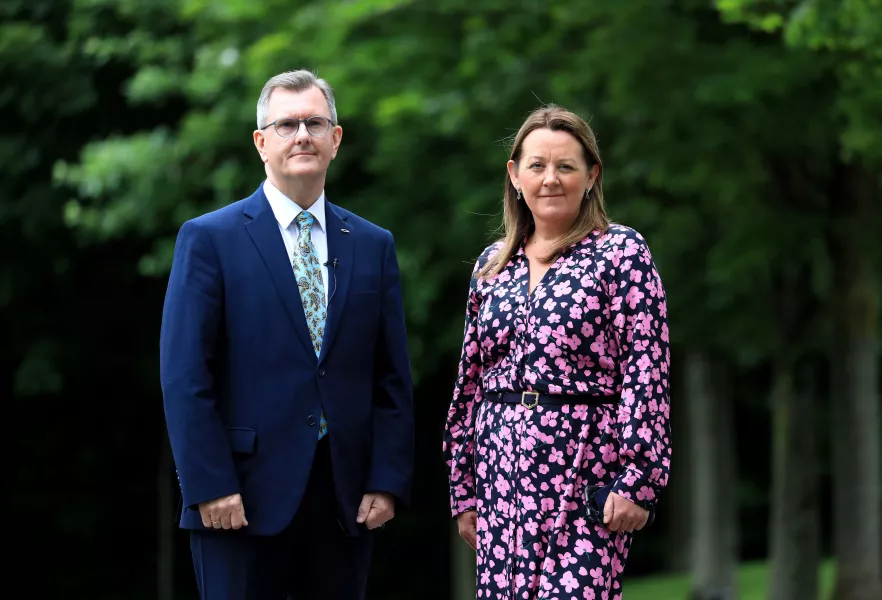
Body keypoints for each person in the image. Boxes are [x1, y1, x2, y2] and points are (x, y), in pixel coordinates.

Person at [160, 69, 414, 600]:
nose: (302, 135)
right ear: (261, 142)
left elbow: (392, 377)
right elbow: (185, 376)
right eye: (286, 124)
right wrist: (211, 484)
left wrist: (386, 479)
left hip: (346, 500)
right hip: (239, 499)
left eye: (315, 123)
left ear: (336, 139)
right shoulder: (209, 239)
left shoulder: (373, 244)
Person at [442, 105, 671, 599]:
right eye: (537, 165)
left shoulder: (621, 254)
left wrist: (640, 480)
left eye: (565, 166)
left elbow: (646, 372)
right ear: (515, 175)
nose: (550, 179)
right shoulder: (491, 266)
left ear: (591, 176)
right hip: (500, 481)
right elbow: (470, 385)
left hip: (585, 475)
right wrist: (464, 488)